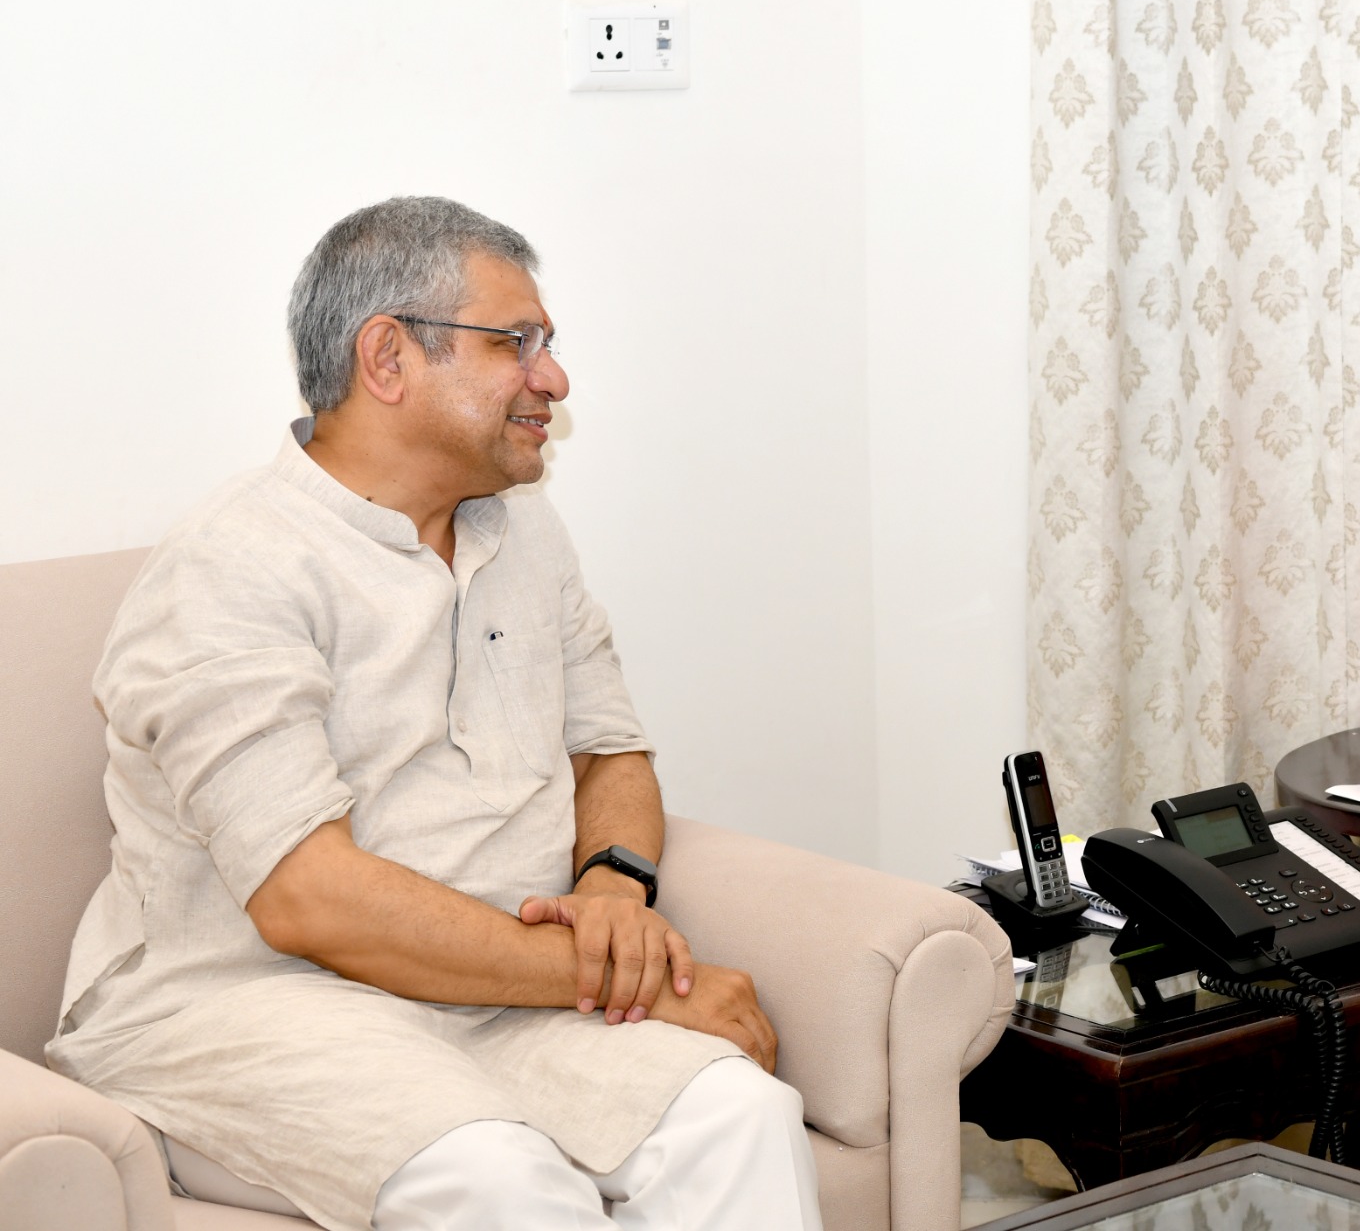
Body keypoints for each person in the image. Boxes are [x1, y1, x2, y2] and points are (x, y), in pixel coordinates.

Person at [45, 198, 822, 1230]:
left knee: (739, 1113)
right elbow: (307, 899)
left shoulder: (523, 530)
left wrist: (612, 890)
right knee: (500, 1179)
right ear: (388, 357)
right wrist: (612, 976)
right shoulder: (231, 566)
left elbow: (609, 752)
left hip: (496, 1000)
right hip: (246, 1004)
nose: (553, 378)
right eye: (516, 342)